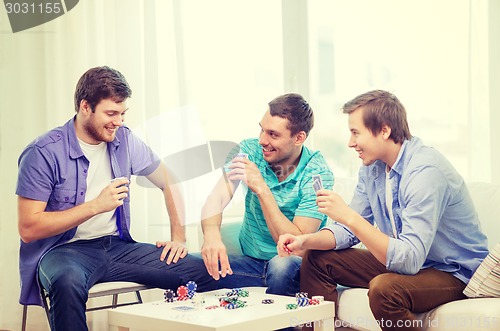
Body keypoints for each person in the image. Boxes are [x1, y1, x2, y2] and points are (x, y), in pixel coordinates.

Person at [16, 66, 216, 330]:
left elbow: (170, 181)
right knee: (67, 282)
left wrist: (179, 237)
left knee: (203, 270)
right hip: (62, 252)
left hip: (117, 247)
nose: (119, 122)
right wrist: (95, 206)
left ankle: (270, 288)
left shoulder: (124, 140)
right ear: (85, 107)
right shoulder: (43, 153)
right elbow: (29, 228)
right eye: (111, 113)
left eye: (123, 113)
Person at [278, 90, 489, 330]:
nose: (350, 142)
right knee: (317, 258)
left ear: (384, 130)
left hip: (453, 272)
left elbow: (409, 259)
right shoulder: (372, 168)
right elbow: (348, 232)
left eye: (356, 132)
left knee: (384, 289)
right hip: (414, 263)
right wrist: (305, 241)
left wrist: (348, 215)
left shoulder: (425, 172)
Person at [200, 93, 334, 297]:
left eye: (273, 134)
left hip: (295, 265)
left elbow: (295, 246)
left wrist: (261, 188)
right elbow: (216, 199)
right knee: (182, 267)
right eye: (262, 129)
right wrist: (211, 237)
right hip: (250, 262)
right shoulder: (248, 150)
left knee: (281, 267)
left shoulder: (317, 173)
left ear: (299, 138)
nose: (262, 140)